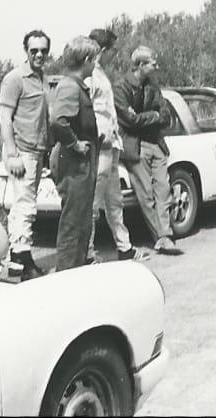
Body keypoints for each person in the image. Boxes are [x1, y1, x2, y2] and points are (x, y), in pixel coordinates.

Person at [85, 28, 149, 262]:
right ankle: (87, 251)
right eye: (112, 50)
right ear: (103, 50)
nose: (114, 55)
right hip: (100, 145)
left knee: (115, 200)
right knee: (94, 201)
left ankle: (124, 247)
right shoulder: (90, 76)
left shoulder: (100, 74)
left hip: (111, 145)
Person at [113, 46, 182, 256]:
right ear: (141, 65)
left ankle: (164, 235)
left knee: (164, 189)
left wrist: (146, 116)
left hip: (155, 143)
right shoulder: (121, 87)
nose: (156, 66)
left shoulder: (152, 86)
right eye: (153, 62)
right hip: (136, 146)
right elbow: (129, 120)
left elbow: (166, 116)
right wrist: (152, 116)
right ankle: (161, 237)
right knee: (146, 193)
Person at [0, 29, 51, 281]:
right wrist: (12, 153)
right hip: (22, 151)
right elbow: (4, 118)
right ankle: (22, 259)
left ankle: (16, 259)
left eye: (43, 50)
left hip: (37, 150)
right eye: (34, 50)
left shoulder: (42, 78)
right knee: (25, 207)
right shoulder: (15, 79)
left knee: (23, 205)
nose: (39, 55)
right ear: (26, 51)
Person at [49, 36, 102, 272]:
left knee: (82, 220)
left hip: (82, 162)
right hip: (73, 163)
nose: (95, 65)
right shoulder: (70, 86)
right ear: (87, 60)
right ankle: (67, 274)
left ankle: (76, 271)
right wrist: (75, 145)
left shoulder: (76, 86)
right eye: (95, 60)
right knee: (73, 221)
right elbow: (58, 121)